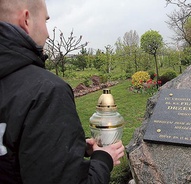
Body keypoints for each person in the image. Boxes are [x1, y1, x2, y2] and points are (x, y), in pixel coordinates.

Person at [0, 0, 125, 183]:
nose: (48, 34)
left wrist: (76, 148)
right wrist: (104, 159)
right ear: (26, 20)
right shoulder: (45, 92)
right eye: (46, 21)